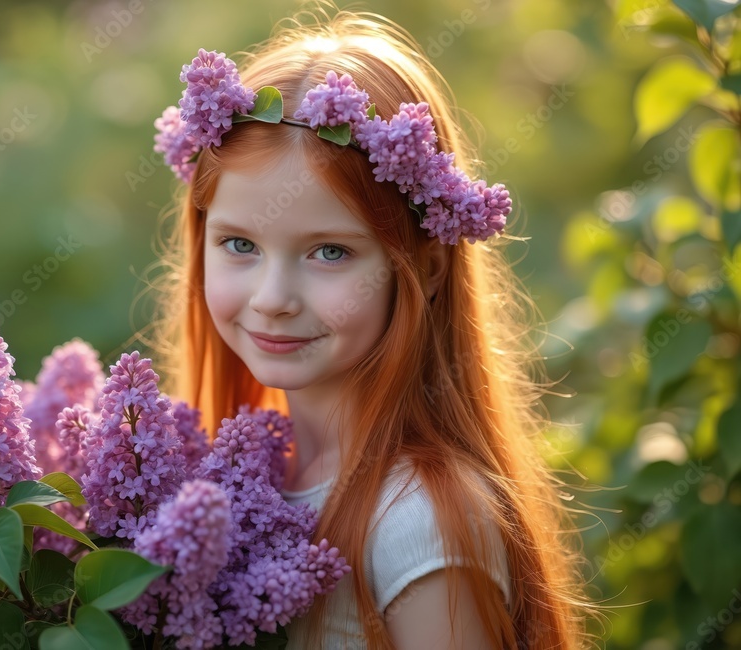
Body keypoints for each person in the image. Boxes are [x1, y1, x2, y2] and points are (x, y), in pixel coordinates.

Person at [141, 5, 602, 648]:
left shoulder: (419, 524)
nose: (273, 299)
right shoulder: (229, 482)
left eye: (330, 252)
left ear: (427, 267)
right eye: (240, 244)